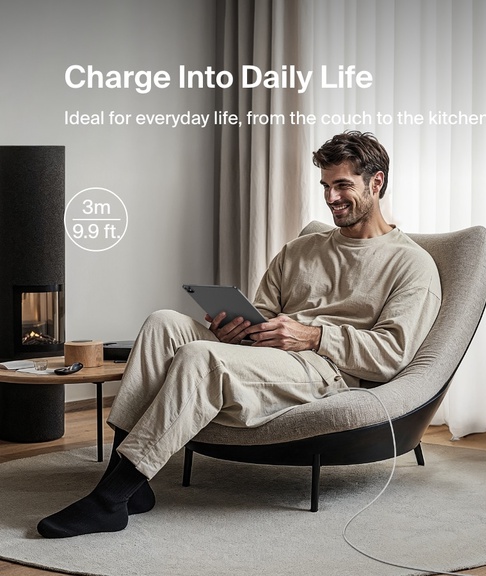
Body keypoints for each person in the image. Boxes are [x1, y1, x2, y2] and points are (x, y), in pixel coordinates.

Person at [37, 131, 442, 538]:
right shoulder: (300, 250)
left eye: (342, 186)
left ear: (377, 182)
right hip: (271, 354)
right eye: (325, 186)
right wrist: (235, 329)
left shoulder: (411, 265)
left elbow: (393, 354)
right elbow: (263, 315)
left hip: (325, 370)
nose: (331, 198)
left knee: (201, 358)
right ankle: (132, 487)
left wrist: (314, 336)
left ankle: (111, 499)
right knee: (163, 323)